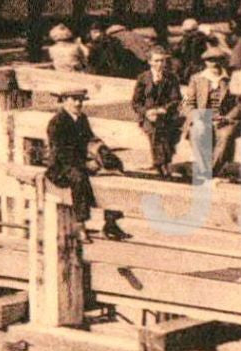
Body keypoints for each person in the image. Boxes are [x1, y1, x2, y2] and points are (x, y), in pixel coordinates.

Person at [44, 88, 128, 242]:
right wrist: (86, 164)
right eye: (74, 99)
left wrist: (102, 153)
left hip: (79, 163)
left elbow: (90, 139)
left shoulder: (82, 119)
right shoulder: (57, 123)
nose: (78, 103)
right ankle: (80, 225)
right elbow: (61, 153)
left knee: (113, 174)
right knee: (79, 179)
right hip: (61, 167)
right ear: (64, 101)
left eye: (80, 100)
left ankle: (111, 223)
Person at [182, 44, 241, 179]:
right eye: (210, 61)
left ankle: (211, 170)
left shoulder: (231, 79)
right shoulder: (196, 79)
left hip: (224, 119)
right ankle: (204, 168)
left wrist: (226, 118)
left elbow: (240, 104)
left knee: (226, 135)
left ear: (223, 62)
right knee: (197, 131)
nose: (214, 64)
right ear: (205, 62)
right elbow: (186, 103)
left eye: (218, 60)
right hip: (202, 117)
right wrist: (195, 116)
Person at [132, 48, 184, 178]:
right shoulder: (143, 78)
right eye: (156, 61)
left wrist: (163, 110)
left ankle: (161, 162)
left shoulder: (171, 78)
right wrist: (147, 112)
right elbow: (136, 102)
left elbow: (176, 99)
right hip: (148, 116)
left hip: (167, 115)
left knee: (164, 129)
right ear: (150, 62)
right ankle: (162, 163)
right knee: (154, 130)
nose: (160, 64)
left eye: (162, 61)